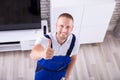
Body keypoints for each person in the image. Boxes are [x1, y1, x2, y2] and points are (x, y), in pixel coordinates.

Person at [30, 13, 80, 80]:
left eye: (68, 27)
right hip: (43, 73)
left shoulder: (74, 41)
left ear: (72, 28)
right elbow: (33, 54)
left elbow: (73, 58)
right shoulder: (45, 39)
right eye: (61, 26)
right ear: (56, 26)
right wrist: (42, 53)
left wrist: (67, 77)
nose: (64, 30)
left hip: (59, 74)